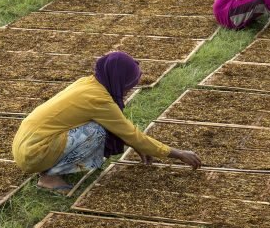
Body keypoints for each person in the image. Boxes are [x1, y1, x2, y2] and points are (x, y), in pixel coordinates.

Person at [12, 51, 202, 193]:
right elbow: (128, 132)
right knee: (97, 132)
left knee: (102, 128)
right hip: (34, 152)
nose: (128, 90)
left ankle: (50, 166)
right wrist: (176, 154)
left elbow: (123, 130)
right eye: (129, 85)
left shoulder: (88, 83)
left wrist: (135, 144)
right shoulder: (100, 100)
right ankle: (49, 177)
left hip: (25, 144)